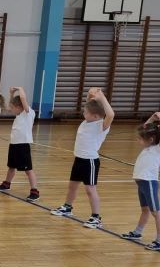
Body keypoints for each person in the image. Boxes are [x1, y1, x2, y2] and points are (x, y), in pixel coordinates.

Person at [51, 88, 115, 228]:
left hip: (90, 161)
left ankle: (96, 217)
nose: (83, 113)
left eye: (86, 112)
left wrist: (102, 97)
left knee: (90, 190)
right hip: (79, 159)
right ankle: (67, 207)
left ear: (96, 116)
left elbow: (110, 114)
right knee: (72, 186)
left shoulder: (102, 126)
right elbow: (90, 105)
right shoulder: (87, 121)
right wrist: (90, 94)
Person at [0, 87, 40, 201]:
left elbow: (23, 98)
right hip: (14, 145)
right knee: (11, 167)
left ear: (20, 107)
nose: (11, 109)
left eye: (12, 107)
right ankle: (7, 184)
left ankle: (35, 191)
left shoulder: (28, 113)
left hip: (23, 146)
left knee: (28, 170)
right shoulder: (19, 115)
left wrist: (20, 89)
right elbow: (14, 103)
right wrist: (11, 94)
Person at [122, 118, 160, 250]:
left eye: (140, 139)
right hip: (142, 184)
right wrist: (153, 118)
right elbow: (146, 127)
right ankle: (137, 232)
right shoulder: (148, 147)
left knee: (156, 212)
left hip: (149, 182)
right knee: (145, 210)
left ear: (151, 139)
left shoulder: (157, 149)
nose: (137, 140)